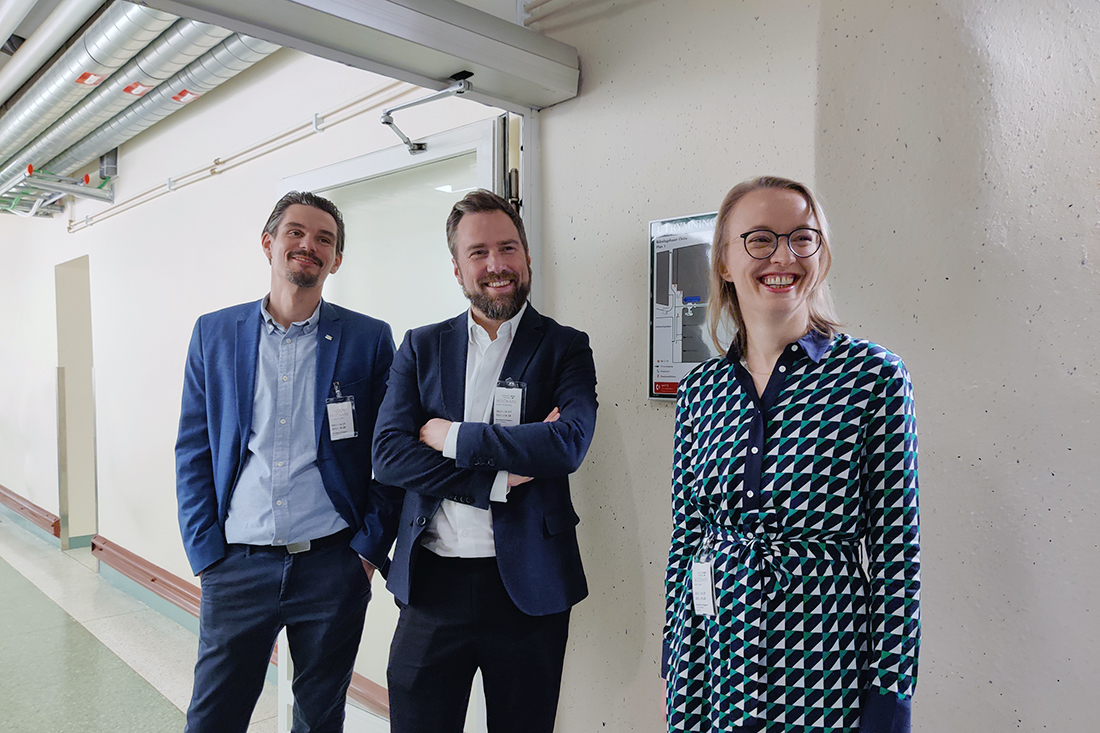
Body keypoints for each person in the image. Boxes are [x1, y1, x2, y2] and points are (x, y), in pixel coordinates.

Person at [663, 176, 920, 733]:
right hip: (710, 656)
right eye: (760, 239)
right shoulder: (700, 390)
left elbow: (897, 554)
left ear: (820, 255)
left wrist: (891, 692)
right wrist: (674, 655)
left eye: (802, 238)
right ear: (724, 262)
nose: (783, 256)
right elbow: (686, 535)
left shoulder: (873, 377)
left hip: (823, 661)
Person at [372, 189, 598, 733]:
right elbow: (389, 455)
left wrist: (450, 436)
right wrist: (494, 481)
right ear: (457, 269)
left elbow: (567, 444)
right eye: (478, 252)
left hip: (529, 587)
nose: (496, 264)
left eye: (507, 248)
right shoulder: (421, 347)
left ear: (526, 255)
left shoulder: (565, 347)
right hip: (432, 585)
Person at [175, 191, 400, 733]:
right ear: (268, 243)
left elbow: (391, 452)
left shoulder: (368, 339)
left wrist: (366, 552)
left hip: (332, 566)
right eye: (295, 232)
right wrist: (206, 553)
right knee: (213, 717)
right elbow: (193, 448)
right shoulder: (215, 332)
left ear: (336, 260)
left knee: (319, 719)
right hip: (237, 564)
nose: (308, 245)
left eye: (324, 239)